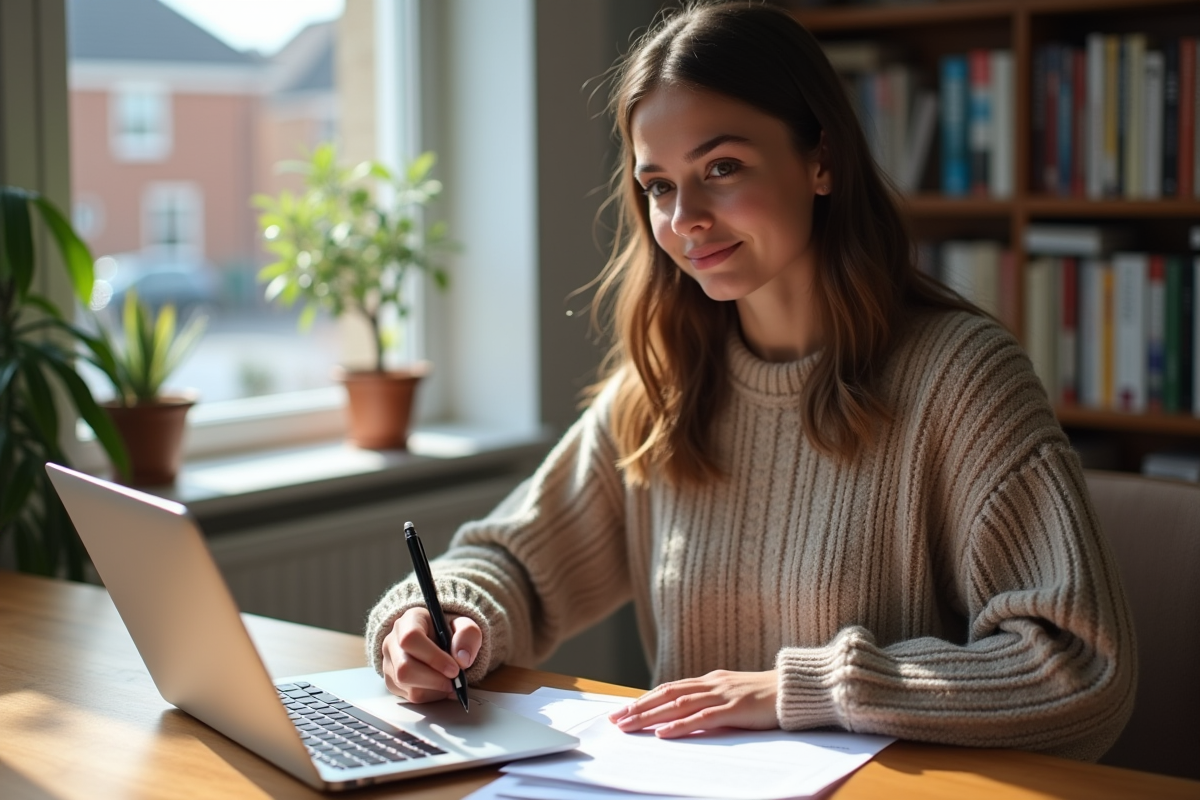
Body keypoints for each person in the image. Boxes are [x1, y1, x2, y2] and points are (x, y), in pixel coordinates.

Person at [367, 2, 1134, 760]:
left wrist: (798, 690)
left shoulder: (963, 379)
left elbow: (1075, 668)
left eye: (722, 168)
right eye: (660, 186)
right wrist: (439, 620)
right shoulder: (664, 385)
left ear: (822, 159)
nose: (686, 217)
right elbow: (517, 569)